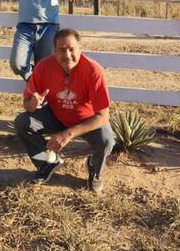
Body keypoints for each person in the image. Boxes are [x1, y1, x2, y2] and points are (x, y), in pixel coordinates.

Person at [14, 28, 116, 192]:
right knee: (22, 122)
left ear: (80, 49)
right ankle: (47, 162)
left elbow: (103, 117)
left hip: (86, 120)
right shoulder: (44, 67)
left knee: (106, 140)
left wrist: (67, 134)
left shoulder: (93, 70)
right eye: (61, 50)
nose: (67, 55)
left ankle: (95, 169)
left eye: (71, 49)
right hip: (56, 115)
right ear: (54, 51)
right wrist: (32, 104)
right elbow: (27, 103)